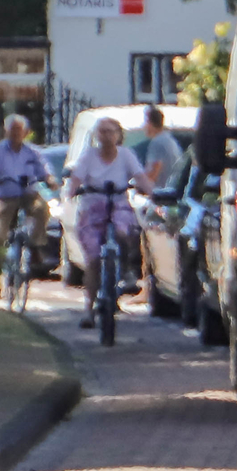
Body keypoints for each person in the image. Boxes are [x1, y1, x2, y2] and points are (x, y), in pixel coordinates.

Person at [69, 118, 145, 328]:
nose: (106, 136)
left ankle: (126, 268)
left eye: (110, 132)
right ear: (96, 135)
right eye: (101, 132)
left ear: (119, 135)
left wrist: (149, 189)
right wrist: (73, 188)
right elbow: (76, 178)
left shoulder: (126, 155)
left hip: (118, 203)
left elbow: (140, 177)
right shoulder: (88, 156)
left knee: (125, 230)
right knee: (93, 259)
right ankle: (88, 309)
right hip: (93, 206)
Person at [0, 115, 57, 294]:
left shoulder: (33, 152)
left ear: (26, 132)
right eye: (12, 129)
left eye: (19, 129)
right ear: (6, 131)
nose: (15, 133)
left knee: (42, 209)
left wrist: (50, 179)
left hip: (28, 194)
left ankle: (35, 246)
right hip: (4, 195)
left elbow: (45, 170)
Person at [134, 105, 183, 190]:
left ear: (150, 123)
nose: (143, 126)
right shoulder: (168, 139)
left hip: (161, 194)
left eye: (145, 122)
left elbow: (152, 174)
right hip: (171, 190)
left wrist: (136, 184)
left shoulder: (157, 143)